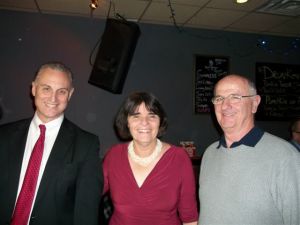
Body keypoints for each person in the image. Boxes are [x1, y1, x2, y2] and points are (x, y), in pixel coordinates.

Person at [0, 62, 103, 225]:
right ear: (34, 89)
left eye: (61, 92)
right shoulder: (3, 135)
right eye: (46, 88)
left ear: (70, 94)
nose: (53, 98)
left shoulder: (86, 144)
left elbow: (86, 211)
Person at [199, 74, 300, 225]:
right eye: (219, 99)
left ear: (254, 103)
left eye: (235, 97)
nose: (225, 106)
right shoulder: (210, 153)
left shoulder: (286, 157)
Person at [103, 91, 198, 225]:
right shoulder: (113, 156)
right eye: (136, 116)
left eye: (152, 116)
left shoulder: (179, 158)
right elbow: (89, 194)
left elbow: (190, 218)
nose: (144, 123)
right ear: (127, 122)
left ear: (160, 122)